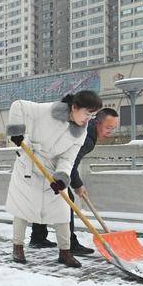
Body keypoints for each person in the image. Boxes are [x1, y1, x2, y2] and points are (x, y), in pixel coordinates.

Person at [5, 90, 103, 268]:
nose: (89, 119)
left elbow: (68, 158)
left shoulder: (80, 132)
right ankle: (17, 247)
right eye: (87, 113)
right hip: (29, 165)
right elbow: (17, 105)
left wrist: (62, 178)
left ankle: (65, 252)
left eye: (93, 115)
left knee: (62, 212)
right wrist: (17, 131)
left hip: (52, 171)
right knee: (22, 209)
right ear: (74, 107)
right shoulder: (47, 110)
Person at [30, 107, 120, 254]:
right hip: (47, 163)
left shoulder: (85, 129)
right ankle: (70, 243)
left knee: (46, 197)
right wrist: (78, 185)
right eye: (108, 127)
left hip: (42, 161)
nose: (110, 131)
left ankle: (38, 237)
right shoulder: (87, 138)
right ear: (97, 123)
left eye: (113, 128)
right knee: (67, 200)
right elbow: (70, 164)